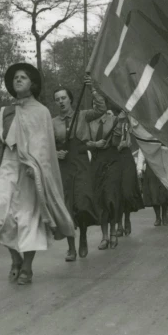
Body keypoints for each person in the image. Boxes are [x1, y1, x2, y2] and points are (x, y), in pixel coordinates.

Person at [0, 63, 74, 285]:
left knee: (28, 218)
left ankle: (26, 267)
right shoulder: (5, 112)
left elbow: (44, 145)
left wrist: (34, 166)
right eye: (16, 77)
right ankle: (15, 257)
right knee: (0, 215)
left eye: (23, 77)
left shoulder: (42, 112)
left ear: (32, 84)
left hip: (30, 170)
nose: (18, 80)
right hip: (8, 163)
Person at [52, 78, 105, 261]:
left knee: (82, 203)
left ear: (70, 99)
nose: (61, 101)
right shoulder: (52, 122)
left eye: (63, 98)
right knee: (67, 206)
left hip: (81, 163)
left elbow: (101, 109)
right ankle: (71, 247)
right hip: (64, 166)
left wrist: (91, 88)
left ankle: (82, 237)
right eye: (57, 99)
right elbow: (46, 144)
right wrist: (55, 153)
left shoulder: (82, 115)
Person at [87, 110, 121, 249]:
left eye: (99, 99)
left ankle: (113, 232)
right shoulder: (89, 123)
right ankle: (104, 236)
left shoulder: (115, 120)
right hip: (97, 163)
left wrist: (116, 135)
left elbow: (116, 143)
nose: (96, 103)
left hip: (112, 162)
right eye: (94, 100)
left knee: (110, 197)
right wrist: (95, 144)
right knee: (100, 199)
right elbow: (83, 142)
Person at [137, 149, 168, 226]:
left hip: (163, 166)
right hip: (151, 167)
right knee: (153, 192)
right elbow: (142, 151)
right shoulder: (146, 137)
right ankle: (158, 217)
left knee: (164, 192)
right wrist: (139, 168)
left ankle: (164, 215)